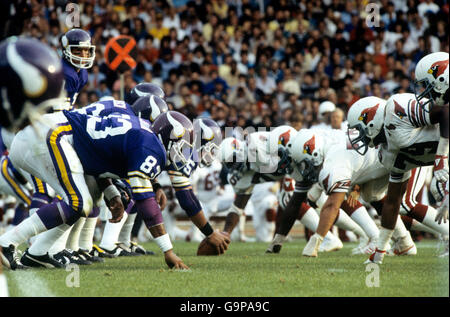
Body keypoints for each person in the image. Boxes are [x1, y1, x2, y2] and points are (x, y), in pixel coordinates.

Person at [0, 109, 191, 270]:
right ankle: (6, 242)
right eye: (182, 147)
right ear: (168, 138)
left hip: (45, 134)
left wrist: (111, 194)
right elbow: (146, 202)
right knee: (78, 202)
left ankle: (37, 253)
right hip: (51, 134)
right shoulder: (151, 146)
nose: (183, 154)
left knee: (83, 202)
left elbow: (98, 158)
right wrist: (168, 250)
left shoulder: (143, 134)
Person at [347, 53, 448, 264]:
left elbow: (446, 114)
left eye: (361, 130)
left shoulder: (396, 110)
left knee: (439, 189)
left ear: (371, 120)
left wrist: (440, 161)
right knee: (431, 193)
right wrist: (380, 250)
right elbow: (392, 203)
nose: (361, 138)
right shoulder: (388, 154)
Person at [218, 126, 343, 254]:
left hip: (298, 162)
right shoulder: (240, 175)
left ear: (238, 150)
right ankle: (336, 237)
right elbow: (238, 205)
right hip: (289, 171)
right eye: (228, 164)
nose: (232, 166)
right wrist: (226, 232)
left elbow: (289, 148)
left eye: (232, 160)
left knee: (299, 199)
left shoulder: (257, 144)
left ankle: (331, 238)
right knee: (319, 202)